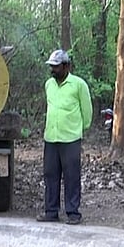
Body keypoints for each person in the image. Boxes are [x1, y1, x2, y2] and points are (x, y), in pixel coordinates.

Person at [37, 49, 92, 225]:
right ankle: (51, 211)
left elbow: (87, 111)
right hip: (51, 138)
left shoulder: (78, 84)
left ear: (66, 66)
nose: (52, 70)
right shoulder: (49, 85)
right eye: (51, 67)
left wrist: (79, 129)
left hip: (71, 139)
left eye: (56, 67)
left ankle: (73, 213)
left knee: (71, 176)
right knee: (50, 175)